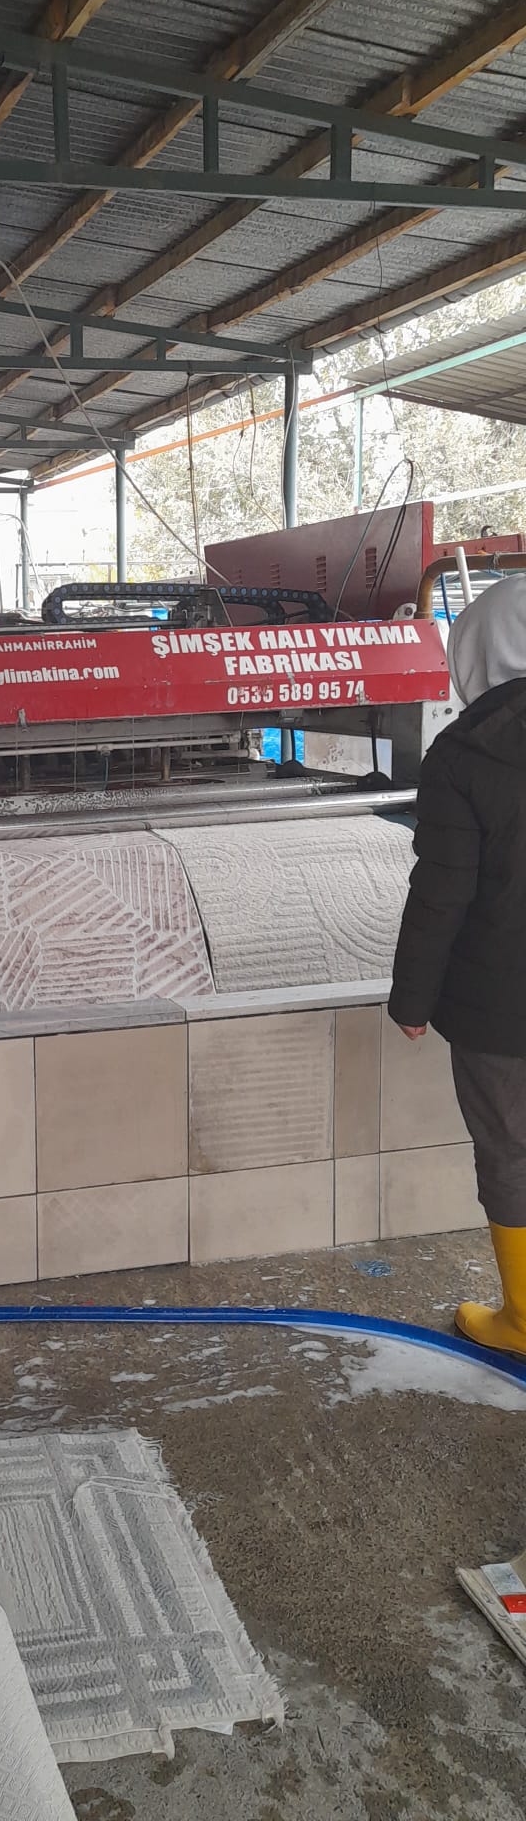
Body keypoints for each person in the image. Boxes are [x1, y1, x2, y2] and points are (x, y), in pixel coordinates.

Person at [389, 572, 526, 1358]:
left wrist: (412, 999)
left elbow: (441, 893)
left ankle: (524, 1319)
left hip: (499, 1006)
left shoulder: (465, 754)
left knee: (511, 1146)